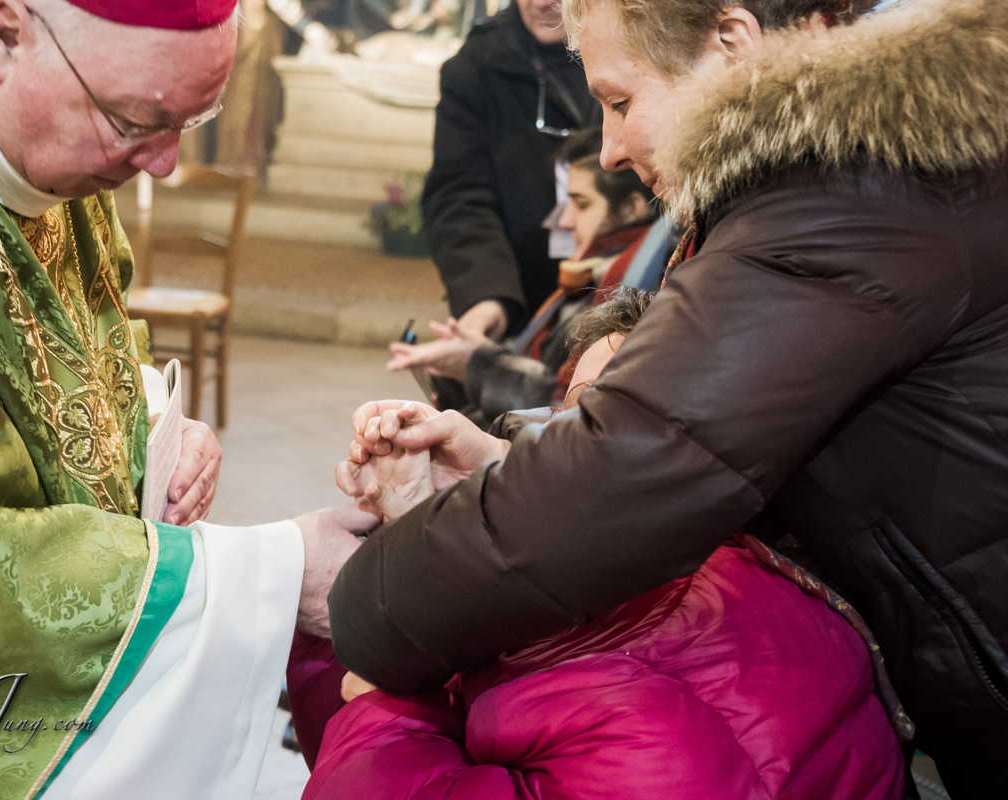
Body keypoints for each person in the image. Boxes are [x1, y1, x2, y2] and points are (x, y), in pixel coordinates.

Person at [328, 0, 1008, 796]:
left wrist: (366, 606)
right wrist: (510, 462)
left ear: (732, 40)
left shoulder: (851, 193)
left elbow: (635, 466)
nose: (610, 148)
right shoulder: (862, 175)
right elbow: (708, 436)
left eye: (620, 102)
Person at [0, 1, 371, 797]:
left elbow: (75, 325)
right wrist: (273, 572)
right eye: (142, 119)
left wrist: (145, 426)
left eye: (195, 116)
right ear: (5, 36)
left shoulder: (44, 114)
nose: (166, 163)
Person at [306, 294, 907, 798]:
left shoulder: (649, 701)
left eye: (602, 417)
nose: (570, 443)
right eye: (568, 415)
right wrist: (427, 533)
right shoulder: (739, 563)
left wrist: (382, 703)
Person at [389, 129, 656, 421]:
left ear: (632, 208)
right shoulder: (595, 273)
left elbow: (565, 408)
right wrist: (465, 364)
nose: (564, 222)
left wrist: (477, 364)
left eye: (581, 205)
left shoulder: (621, 281)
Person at [422, 0, 597, 345]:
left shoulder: (639, 50)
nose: (544, 3)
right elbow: (459, 195)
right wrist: (487, 295)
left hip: (626, 283)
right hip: (520, 291)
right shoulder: (477, 65)